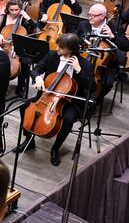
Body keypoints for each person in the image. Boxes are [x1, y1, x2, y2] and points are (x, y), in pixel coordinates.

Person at [24, 33, 93, 166]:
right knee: (25, 105)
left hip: (71, 102)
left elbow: (92, 87)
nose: (57, 49)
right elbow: (36, 70)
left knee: (68, 119)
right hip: (47, 97)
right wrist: (37, 77)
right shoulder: (52, 56)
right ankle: (28, 140)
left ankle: (55, 148)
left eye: (61, 48)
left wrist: (79, 70)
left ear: (71, 49)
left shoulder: (84, 64)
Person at [76, 3, 129, 98]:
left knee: (107, 83)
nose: (90, 17)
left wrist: (112, 36)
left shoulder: (114, 28)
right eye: (89, 14)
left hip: (106, 64)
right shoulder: (83, 25)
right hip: (84, 59)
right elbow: (74, 39)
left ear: (102, 16)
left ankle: (94, 102)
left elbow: (127, 46)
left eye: (93, 15)